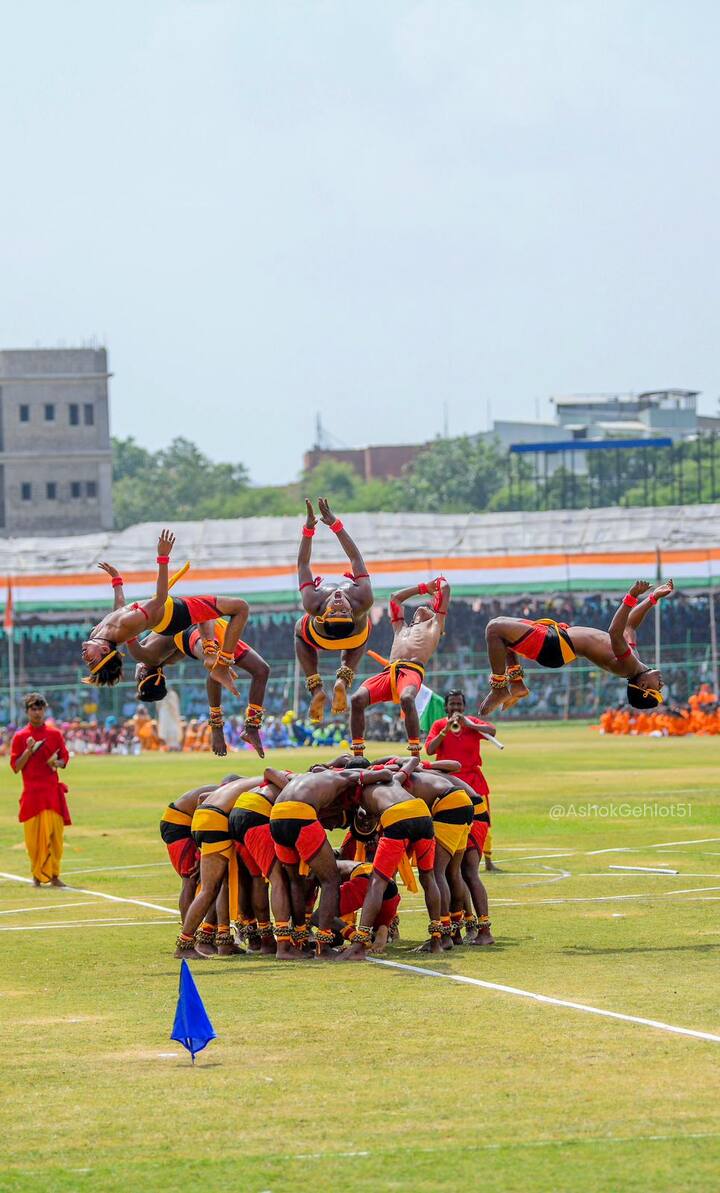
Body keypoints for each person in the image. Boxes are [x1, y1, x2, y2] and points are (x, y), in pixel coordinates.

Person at [81, 529, 249, 697]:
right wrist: (163, 557)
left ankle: (213, 657)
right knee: (241, 608)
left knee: (209, 618)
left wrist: (116, 581)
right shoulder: (128, 627)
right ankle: (221, 664)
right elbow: (160, 599)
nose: (84, 656)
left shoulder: (98, 632)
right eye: (90, 659)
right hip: (175, 614)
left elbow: (118, 610)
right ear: (104, 649)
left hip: (166, 618)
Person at [478, 580, 673, 716]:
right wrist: (653, 598)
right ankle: (517, 684)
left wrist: (631, 597)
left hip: (554, 646)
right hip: (556, 639)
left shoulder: (629, 666)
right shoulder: (634, 660)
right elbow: (629, 625)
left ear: (644, 686)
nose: (662, 684)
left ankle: (499, 689)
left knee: (494, 629)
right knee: (502, 634)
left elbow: (615, 631)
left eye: (658, 689)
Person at [268, 763, 391, 956]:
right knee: (330, 879)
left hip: (275, 816)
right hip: (300, 814)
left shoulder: (302, 777)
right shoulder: (343, 776)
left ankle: (292, 943)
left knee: (294, 881)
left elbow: (270, 771)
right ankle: (323, 946)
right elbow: (382, 774)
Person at [128, 617, 270, 757]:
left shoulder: (147, 655)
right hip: (193, 628)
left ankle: (250, 728)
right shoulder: (147, 655)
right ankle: (220, 727)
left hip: (201, 622)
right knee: (217, 666)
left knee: (262, 670)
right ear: (143, 675)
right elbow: (126, 624)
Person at [342, 767, 442, 960]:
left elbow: (364, 822)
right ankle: (437, 939)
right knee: (428, 877)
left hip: (397, 817)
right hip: (422, 812)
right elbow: (411, 762)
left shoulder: (360, 790)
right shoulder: (393, 779)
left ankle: (359, 943)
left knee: (377, 882)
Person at [350, 576, 450, 757]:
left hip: (411, 671)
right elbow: (395, 597)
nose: (422, 608)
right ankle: (358, 755)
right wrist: (422, 587)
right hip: (388, 673)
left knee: (407, 699)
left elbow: (446, 588)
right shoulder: (401, 627)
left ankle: (414, 753)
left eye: (428, 608)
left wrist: (438, 584)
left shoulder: (435, 625)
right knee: (357, 699)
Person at [294, 498, 374, 722]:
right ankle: (343, 681)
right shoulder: (362, 598)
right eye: (342, 610)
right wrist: (335, 525)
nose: (339, 603)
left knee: (298, 631)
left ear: (324, 614)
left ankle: (316, 688)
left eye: (336, 610)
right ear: (351, 613)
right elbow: (355, 557)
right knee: (366, 628)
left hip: (317, 637)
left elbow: (303, 565)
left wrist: (308, 530)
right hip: (355, 638)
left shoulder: (314, 602)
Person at [425, 689, 500, 874]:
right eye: (452, 704)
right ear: (446, 707)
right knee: (448, 822)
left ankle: (488, 860)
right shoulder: (439, 724)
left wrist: (471, 725)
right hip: (448, 783)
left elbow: (493, 731)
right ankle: (447, 859)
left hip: (474, 780)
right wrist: (445, 730)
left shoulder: (472, 723)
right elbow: (429, 750)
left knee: (482, 820)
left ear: (464, 706)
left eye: (459, 704)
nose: (456, 707)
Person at [10, 693, 71, 887]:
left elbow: (64, 758)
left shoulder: (55, 734)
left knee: (55, 838)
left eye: (40, 708)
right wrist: (28, 750)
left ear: (45, 710)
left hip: (52, 794)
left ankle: (54, 875)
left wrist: (58, 762)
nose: (37, 712)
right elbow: (16, 767)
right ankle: (37, 875)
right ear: (27, 712)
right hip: (32, 795)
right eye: (33, 709)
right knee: (34, 841)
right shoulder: (20, 737)